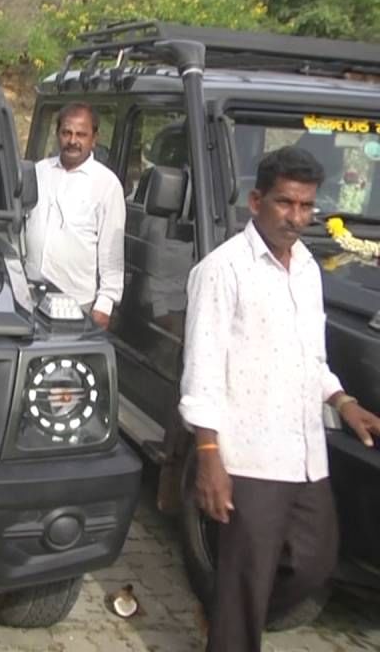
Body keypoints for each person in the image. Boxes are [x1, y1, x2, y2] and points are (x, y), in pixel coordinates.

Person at [179, 146, 380, 652]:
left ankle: (227, 617)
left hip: (305, 453)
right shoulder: (222, 270)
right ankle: (231, 629)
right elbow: (201, 370)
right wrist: (208, 458)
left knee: (315, 563)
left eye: (307, 206)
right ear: (256, 201)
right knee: (247, 579)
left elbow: (310, 357)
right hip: (248, 456)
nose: (297, 218)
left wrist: (342, 400)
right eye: (286, 203)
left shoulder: (308, 268)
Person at [24, 102, 125, 329]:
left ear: (94, 138)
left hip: (77, 303)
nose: (73, 141)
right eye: (67, 133)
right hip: (30, 295)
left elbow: (112, 252)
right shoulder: (38, 172)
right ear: (57, 134)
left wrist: (104, 304)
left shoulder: (106, 184)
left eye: (81, 134)